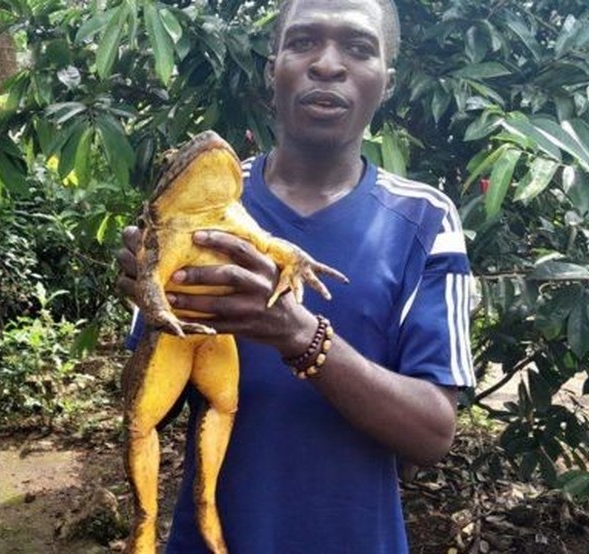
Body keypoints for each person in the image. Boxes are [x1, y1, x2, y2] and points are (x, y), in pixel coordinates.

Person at [115, 0, 476, 551]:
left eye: (358, 47)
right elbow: (148, 413)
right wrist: (151, 294)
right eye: (304, 42)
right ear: (272, 67)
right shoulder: (197, 198)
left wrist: (298, 334)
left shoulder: (425, 219)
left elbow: (431, 433)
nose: (327, 64)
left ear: (388, 83)